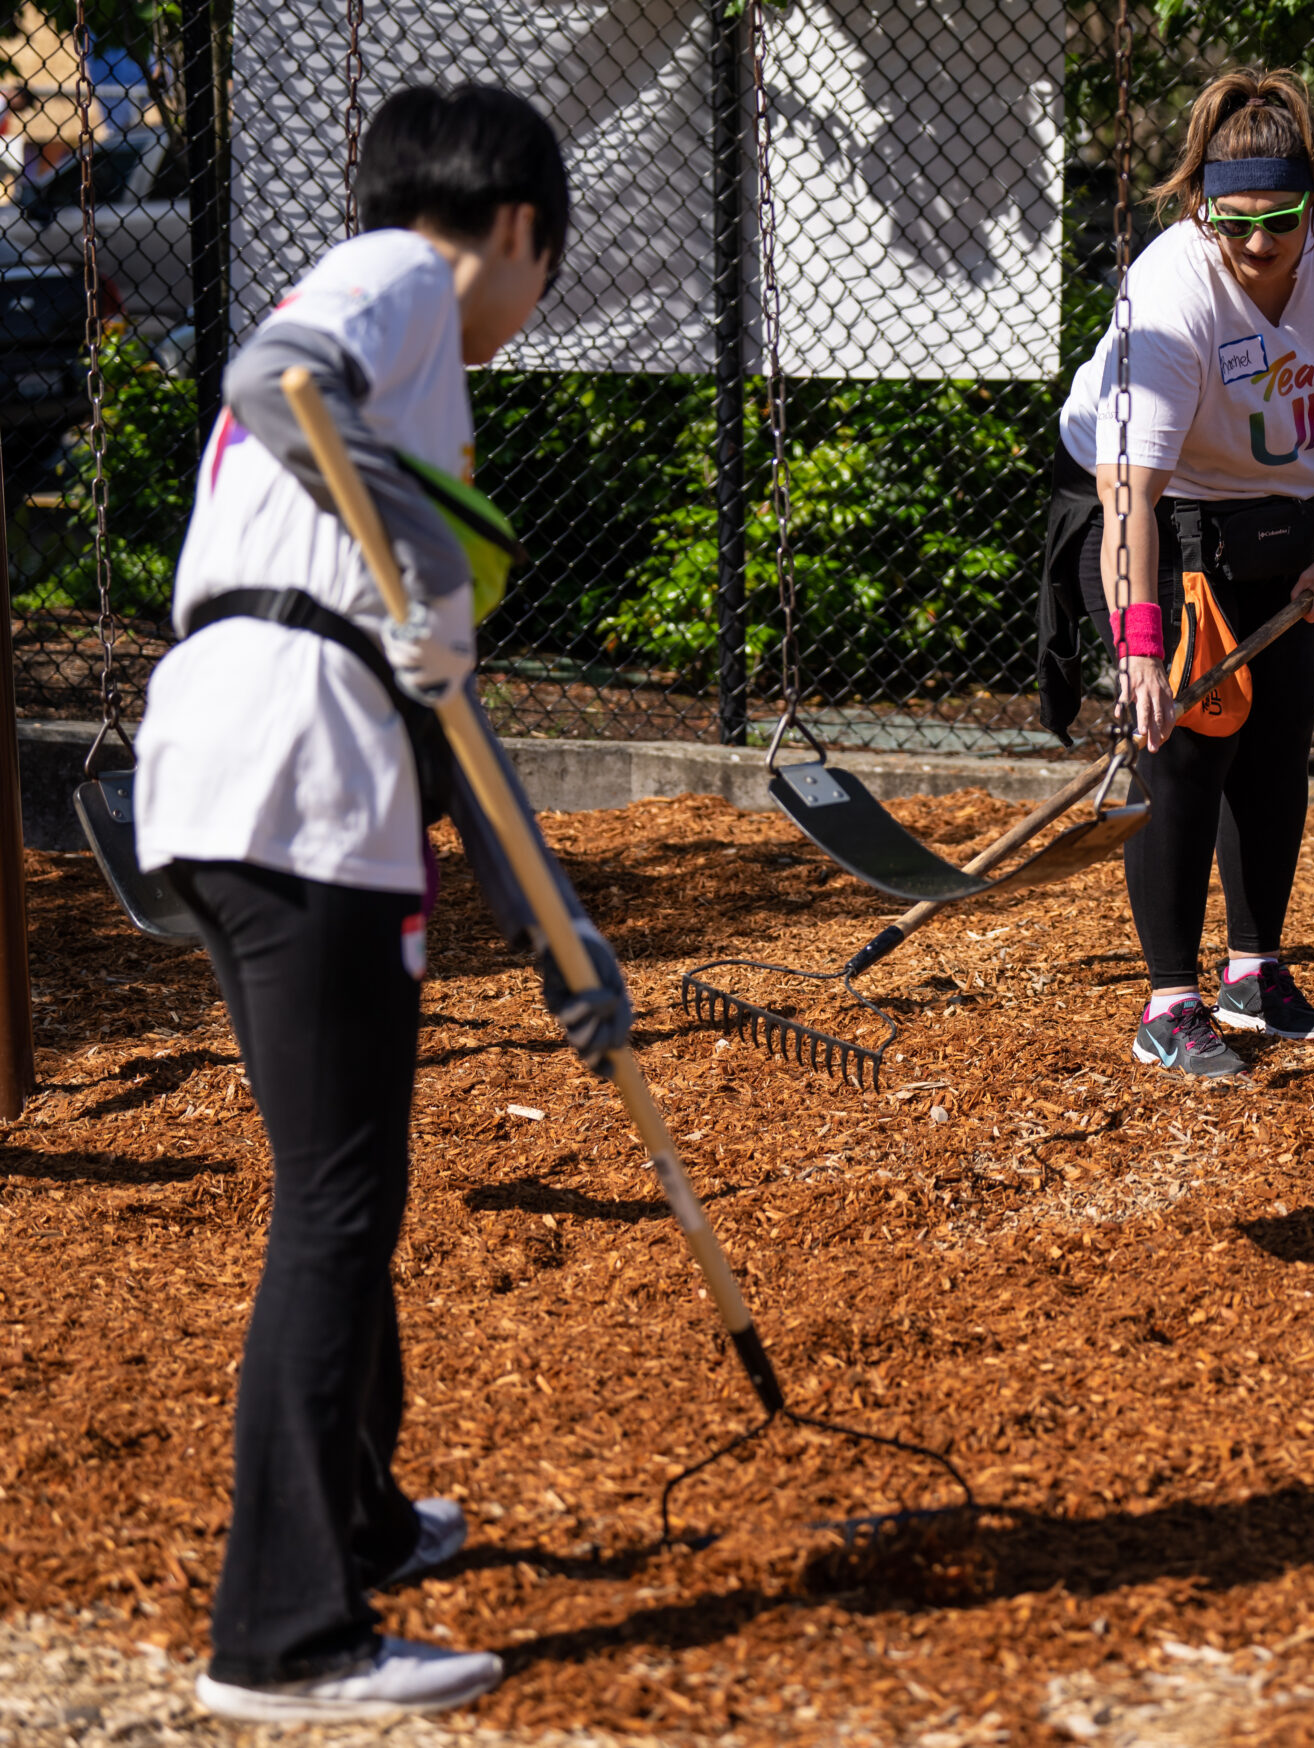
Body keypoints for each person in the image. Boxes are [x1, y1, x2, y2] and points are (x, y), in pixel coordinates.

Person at [132, 85, 631, 1723]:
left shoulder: (409, 423)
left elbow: (445, 709)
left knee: (339, 1173)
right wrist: (423, 572)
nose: (527, 307)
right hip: (293, 773)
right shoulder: (403, 281)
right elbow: (269, 377)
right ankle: (284, 1632)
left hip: (228, 770)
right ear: (514, 230)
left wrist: (557, 927)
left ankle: (356, 1517)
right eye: (543, 270)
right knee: (339, 1200)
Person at [1037, 66, 1314, 1078]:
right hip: (1156, 509)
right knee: (1185, 744)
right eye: (1232, 221)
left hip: (1282, 510)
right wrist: (1139, 652)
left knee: (1275, 737)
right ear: (1202, 207)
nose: (1256, 245)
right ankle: (1170, 1002)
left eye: (1282, 221)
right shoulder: (1171, 289)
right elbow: (1131, 496)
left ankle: (1254, 971)